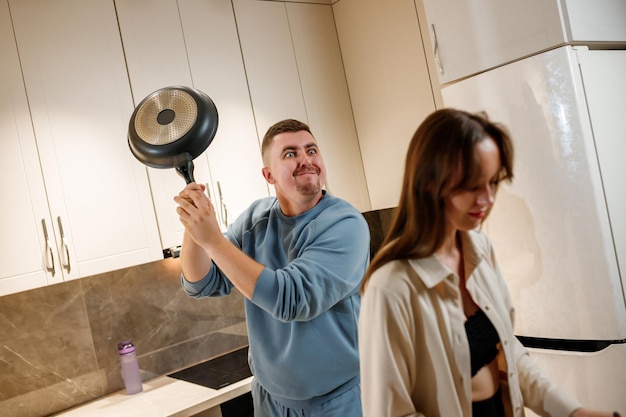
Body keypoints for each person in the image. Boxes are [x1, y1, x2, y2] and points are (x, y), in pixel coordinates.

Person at [358, 108, 619, 417]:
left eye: (493, 182)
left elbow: (510, 354)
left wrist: (573, 412)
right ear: (429, 182)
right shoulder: (391, 288)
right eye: (473, 186)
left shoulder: (479, 250)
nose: (488, 198)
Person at [174, 119, 370, 417]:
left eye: (312, 150)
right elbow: (202, 282)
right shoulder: (256, 219)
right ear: (268, 175)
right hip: (270, 401)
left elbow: (291, 298)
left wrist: (213, 240)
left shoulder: (345, 224)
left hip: (337, 402)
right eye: (290, 154)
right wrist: (194, 222)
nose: (306, 160)